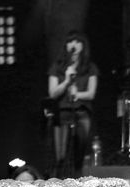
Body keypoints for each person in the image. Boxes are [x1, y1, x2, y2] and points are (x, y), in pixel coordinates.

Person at [47, 31, 99, 178]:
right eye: (70, 42)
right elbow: (52, 93)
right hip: (62, 112)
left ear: (83, 46)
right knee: (60, 156)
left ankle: (77, 182)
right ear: (66, 46)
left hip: (81, 112)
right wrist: (66, 81)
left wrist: (77, 94)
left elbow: (91, 93)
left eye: (77, 42)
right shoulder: (57, 67)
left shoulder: (90, 68)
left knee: (79, 155)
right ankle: (58, 182)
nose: (74, 45)